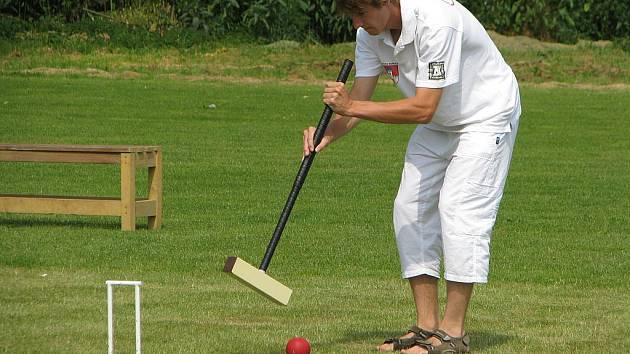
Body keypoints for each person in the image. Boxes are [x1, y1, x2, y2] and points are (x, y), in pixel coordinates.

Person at [302, 0, 521, 353]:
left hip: (485, 115)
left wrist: (350, 107)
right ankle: (426, 327)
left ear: (387, 2)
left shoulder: (438, 20)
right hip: (440, 122)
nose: (357, 22)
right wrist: (330, 131)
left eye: (361, 12)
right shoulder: (369, 34)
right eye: (351, 15)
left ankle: (452, 335)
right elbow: (360, 96)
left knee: (459, 209)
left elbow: (422, 107)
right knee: (409, 208)